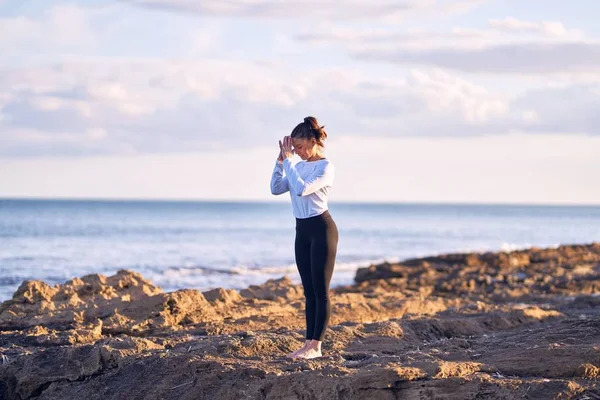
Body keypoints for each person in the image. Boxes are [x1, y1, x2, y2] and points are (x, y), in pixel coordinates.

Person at [270, 116, 339, 360]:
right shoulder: (296, 166)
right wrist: (280, 162)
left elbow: (301, 188)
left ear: (313, 141)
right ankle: (307, 344)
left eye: (299, 147)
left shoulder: (325, 167)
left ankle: (316, 347)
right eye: (293, 148)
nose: (296, 152)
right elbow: (276, 188)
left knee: (321, 291)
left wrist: (288, 161)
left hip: (322, 229)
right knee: (308, 291)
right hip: (302, 231)